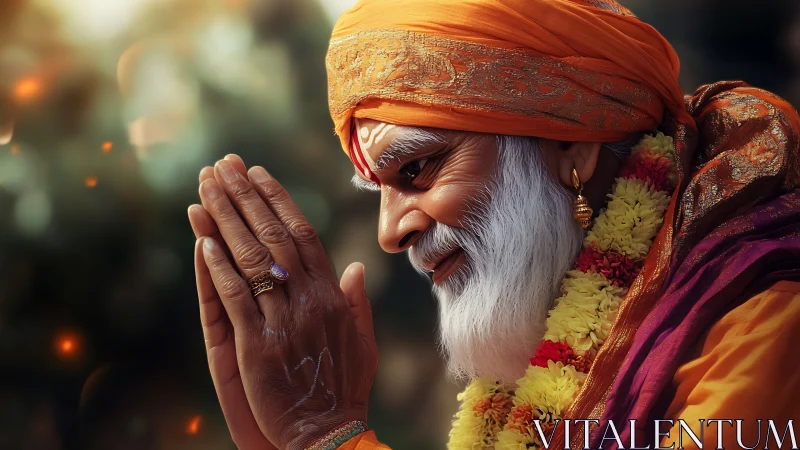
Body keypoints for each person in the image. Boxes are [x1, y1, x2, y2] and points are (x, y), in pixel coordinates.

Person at [187, 0, 800, 449]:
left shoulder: (769, 325)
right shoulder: (537, 364)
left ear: (572, 145)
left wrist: (323, 433)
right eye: (377, 190)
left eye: (418, 167)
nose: (390, 231)